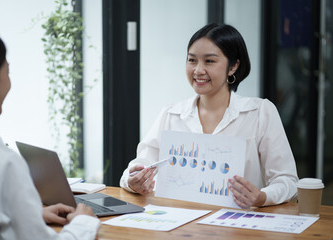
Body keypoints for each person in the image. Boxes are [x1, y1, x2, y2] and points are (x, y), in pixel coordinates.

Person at [120, 23, 299, 208]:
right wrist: (133, 180)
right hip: (179, 224)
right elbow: (140, 165)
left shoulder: (260, 112)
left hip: (237, 226)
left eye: (209, 61)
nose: (198, 70)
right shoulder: (171, 114)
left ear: (233, 66)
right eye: (192, 60)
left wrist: (262, 197)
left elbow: (288, 181)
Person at [0, 25, 100, 239]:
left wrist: (27, 215)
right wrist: (84, 223)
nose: (10, 82)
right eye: (8, 71)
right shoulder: (1, 162)